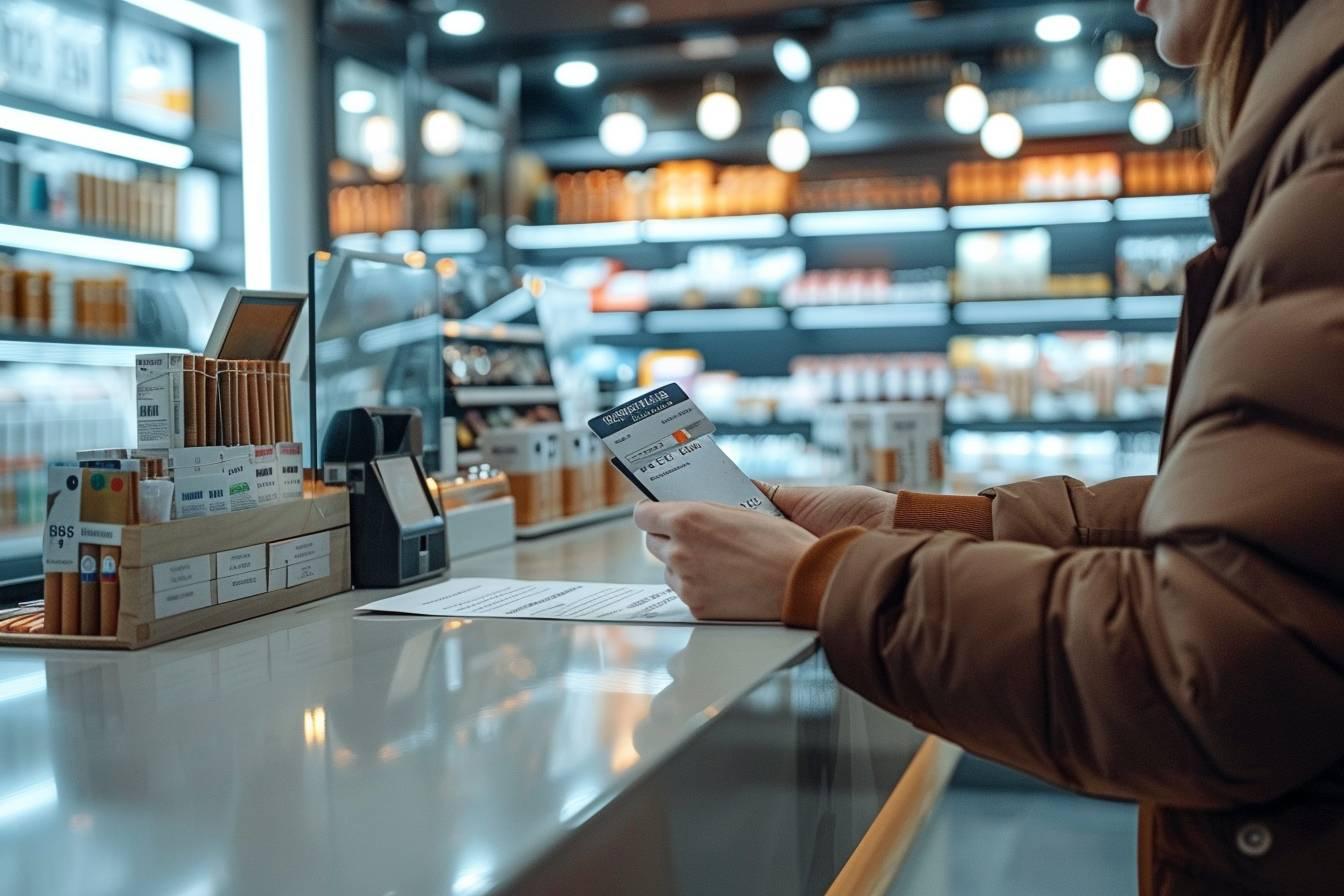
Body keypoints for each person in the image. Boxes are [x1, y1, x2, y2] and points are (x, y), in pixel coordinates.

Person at [635, 0, 1344, 892]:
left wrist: (817, 581)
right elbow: (1260, 531)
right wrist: (905, 517)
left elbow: (1212, 670)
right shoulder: (1305, 135)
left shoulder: (1326, 148)